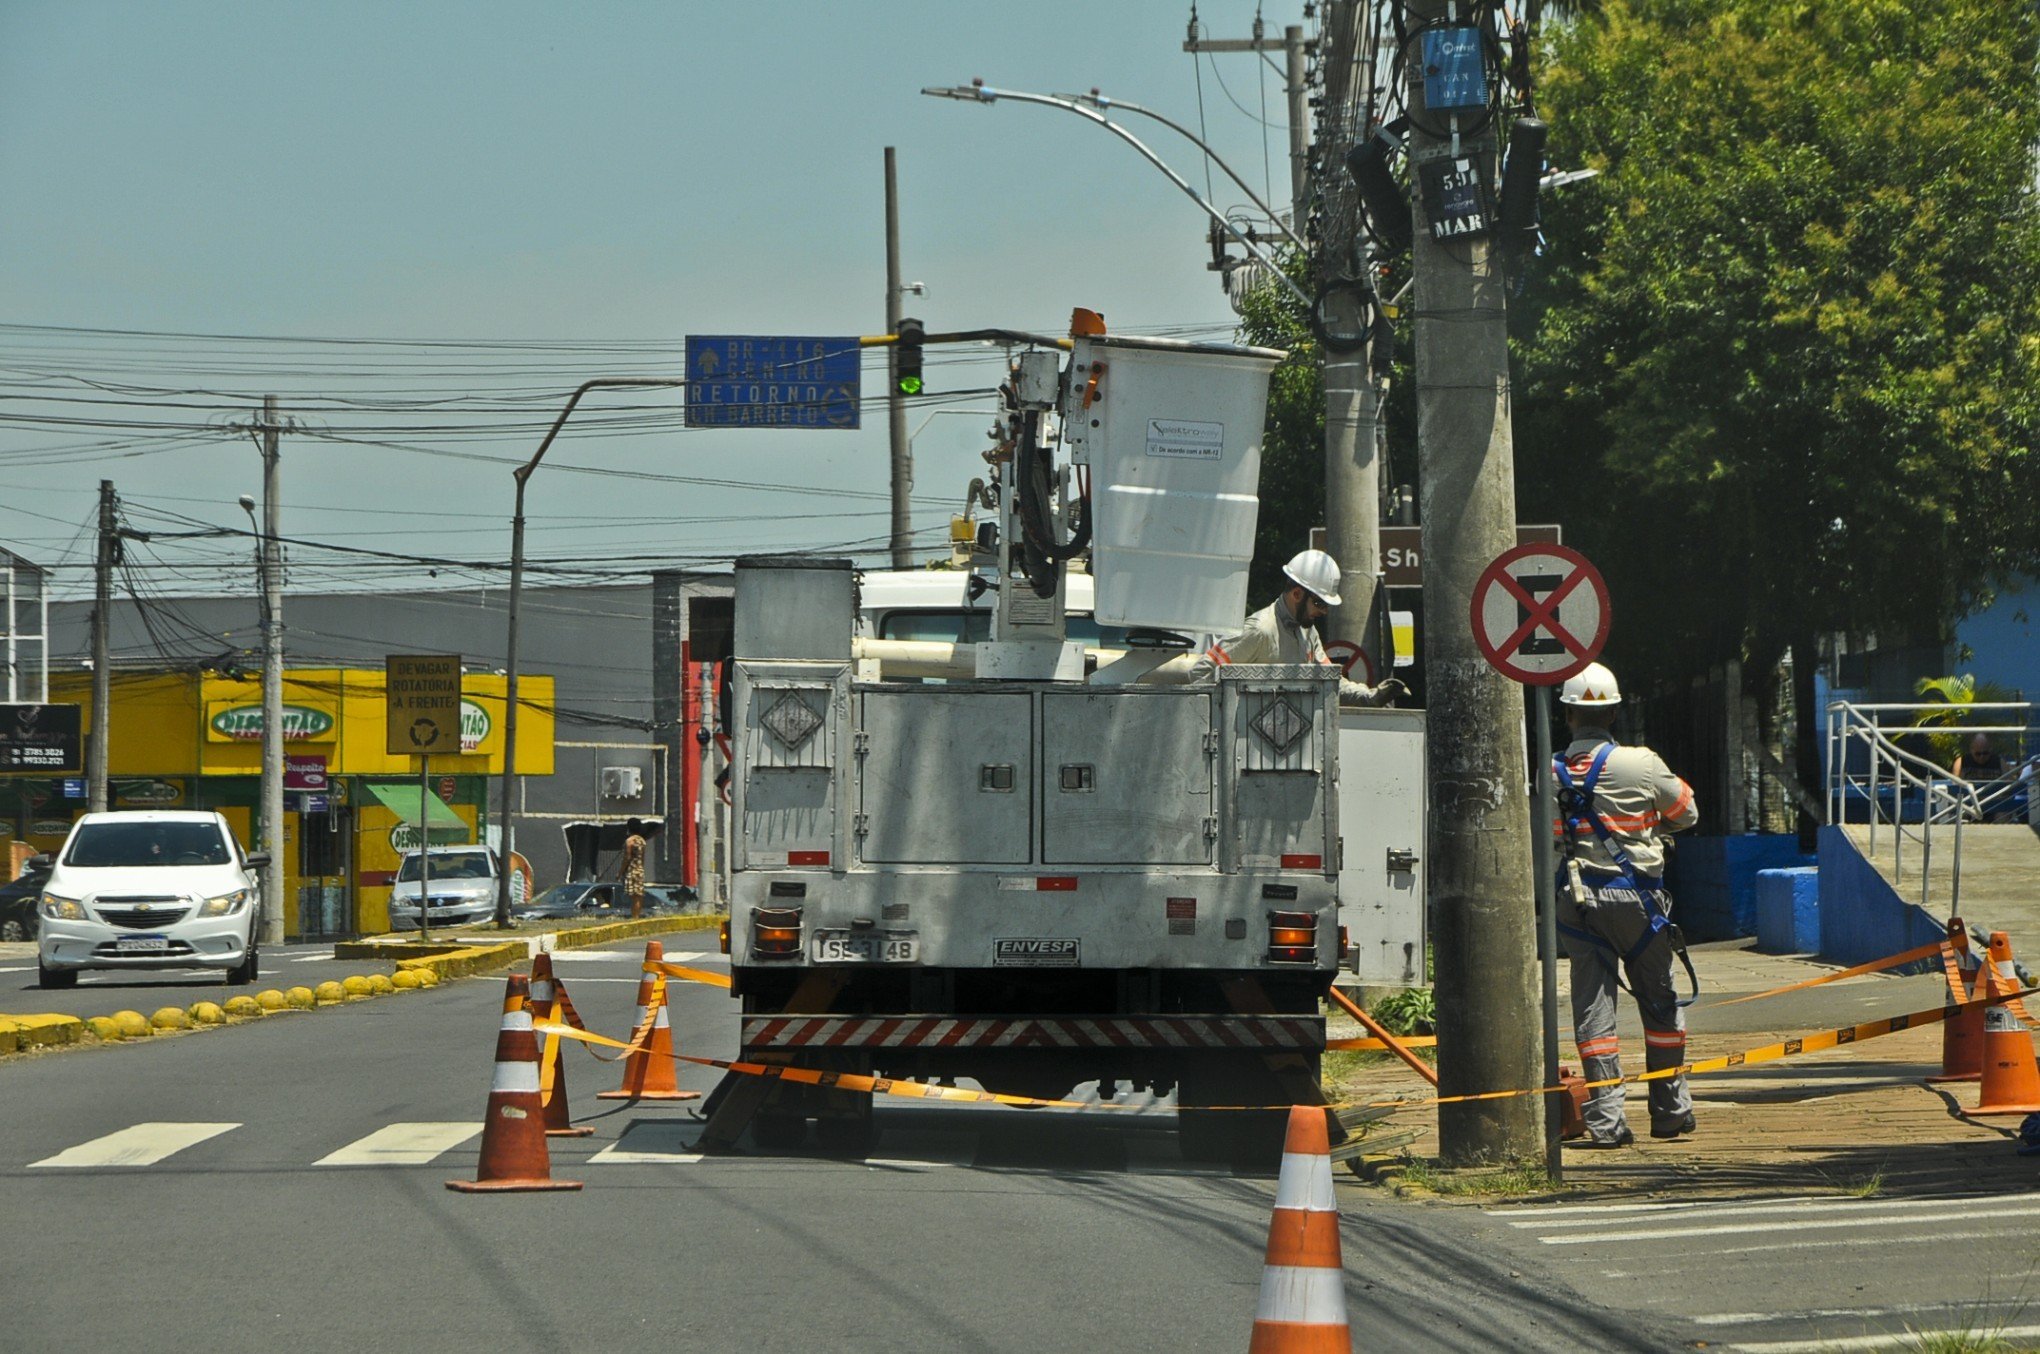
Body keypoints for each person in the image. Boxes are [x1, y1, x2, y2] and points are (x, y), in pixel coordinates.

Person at [1550, 662, 1700, 1147]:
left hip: (1576, 904)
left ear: (1567, 713)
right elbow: (1687, 813)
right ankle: (1670, 1112)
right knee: (1659, 1005)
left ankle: (1606, 1123)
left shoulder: (1546, 772)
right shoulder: (1642, 763)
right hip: (1638, 902)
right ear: (1613, 712)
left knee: (1594, 1015)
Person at [1187, 548, 1407, 706]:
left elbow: (1330, 681)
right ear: (1297, 594)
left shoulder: (1308, 632)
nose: (1324, 612)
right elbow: (1201, 674)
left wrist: (1371, 696)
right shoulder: (1259, 630)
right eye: (1319, 603)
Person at [622, 819, 648, 919]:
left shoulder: (629, 841)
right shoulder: (642, 841)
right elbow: (643, 857)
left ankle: (635, 917)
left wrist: (621, 872)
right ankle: (636, 915)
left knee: (634, 896)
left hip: (631, 870)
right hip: (640, 870)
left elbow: (627, 858)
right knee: (639, 896)